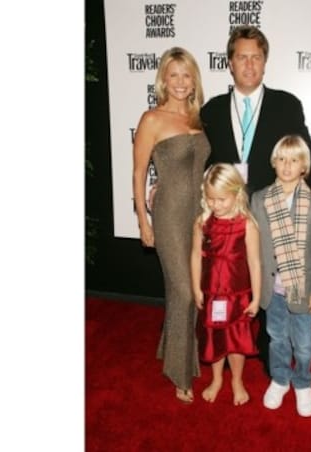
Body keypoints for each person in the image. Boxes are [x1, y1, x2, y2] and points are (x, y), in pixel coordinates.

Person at [132, 47, 210, 404]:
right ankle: (181, 374)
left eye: (186, 74)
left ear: (194, 80)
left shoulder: (198, 119)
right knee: (183, 291)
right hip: (167, 215)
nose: (180, 82)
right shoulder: (152, 119)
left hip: (199, 215)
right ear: (163, 79)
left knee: (193, 288)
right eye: (173, 74)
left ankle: (171, 347)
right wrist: (142, 221)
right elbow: (138, 172)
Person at [200, 25, 311, 215]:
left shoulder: (287, 105)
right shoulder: (212, 110)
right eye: (242, 57)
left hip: (272, 214)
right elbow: (197, 161)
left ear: (264, 63)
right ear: (230, 64)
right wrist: (163, 184)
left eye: (256, 57)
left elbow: (307, 152)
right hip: (225, 216)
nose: (249, 65)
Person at [250, 135, 311, 417]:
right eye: (282, 159)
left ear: (303, 167)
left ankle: (303, 383)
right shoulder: (259, 200)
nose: (287, 165)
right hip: (273, 289)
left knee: (305, 344)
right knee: (276, 338)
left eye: (294, 160)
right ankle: (280, 379)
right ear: (274, 162)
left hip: (302, 288)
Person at [190, 163, 262, 406]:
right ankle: (217, 378)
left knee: (237, 340)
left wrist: (256, 297)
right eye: (210, 199)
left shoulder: (247, 225)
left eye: (221, 199)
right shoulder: (202, 223)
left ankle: (237, 380)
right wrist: (196, 288)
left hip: (238, 295)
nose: (215, 205)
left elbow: (255, 263)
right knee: (215, 338)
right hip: (211, 293)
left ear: (237, 194)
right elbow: (195, 256)